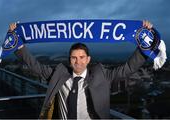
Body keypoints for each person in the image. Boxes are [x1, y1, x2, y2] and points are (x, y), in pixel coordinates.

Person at [10, 20, 154, 119]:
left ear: (88, 59)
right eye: (74, 57)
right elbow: (35, 66)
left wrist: (144, 46)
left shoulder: (102, 74)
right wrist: (18, 43)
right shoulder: (59, 74)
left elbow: (128, 68)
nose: (78, 61)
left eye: (82, 57)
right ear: (69, 60)